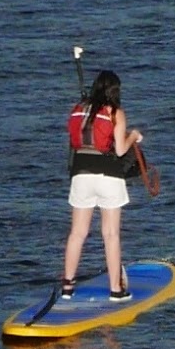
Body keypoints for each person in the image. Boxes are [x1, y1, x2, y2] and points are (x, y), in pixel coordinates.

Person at [62, 69, 144, 301]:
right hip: (108, 176)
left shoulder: (79, 109)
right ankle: (116, 290)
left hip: (81, 175)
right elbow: (119, 149)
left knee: (77, 232)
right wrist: (133, 136)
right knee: (110, 234)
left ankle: (67, 286)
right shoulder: (116, 112)